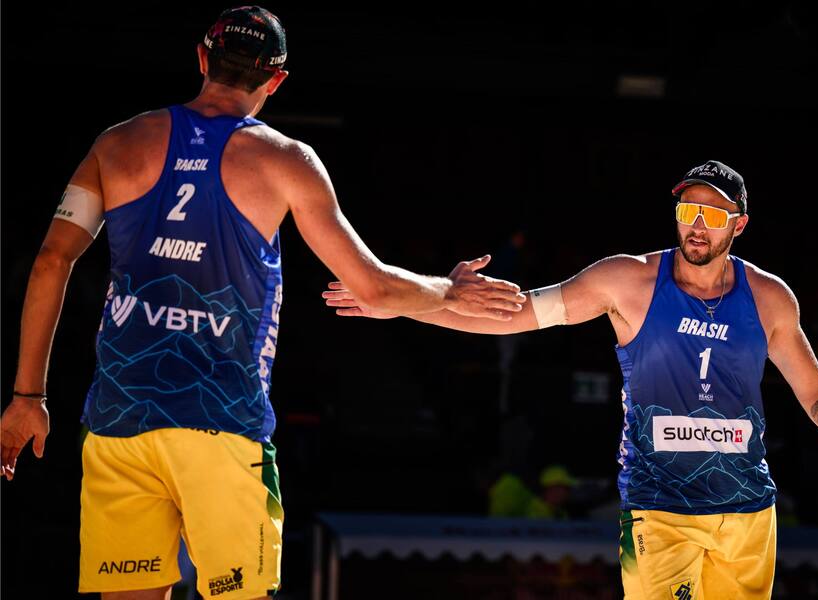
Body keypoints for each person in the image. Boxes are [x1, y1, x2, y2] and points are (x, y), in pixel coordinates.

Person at [0, 6, 525, 599]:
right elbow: (373, 286)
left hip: (120, 421)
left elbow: (50, 262)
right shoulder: (287, 161)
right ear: (275, 80)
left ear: (202, 59)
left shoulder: (117, 142)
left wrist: (28, 398)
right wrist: (450, 290)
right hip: (222, 424)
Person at [324, 160, 818, 599]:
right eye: (687, 211)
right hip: (661, 509)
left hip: (747, 513)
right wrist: (400, 301)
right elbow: (515, 315)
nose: (696, 225)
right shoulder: (627, 280)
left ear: (740, 225)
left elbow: (816, 394)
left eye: (712, 214)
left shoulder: (771, 298)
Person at [488, 464, 578, 520]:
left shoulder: (562, 514)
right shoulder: (531, 509)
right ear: (552, 489)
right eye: (564, 488)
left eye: (568, 489)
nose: (567, 493)